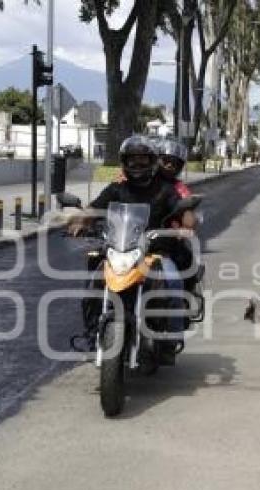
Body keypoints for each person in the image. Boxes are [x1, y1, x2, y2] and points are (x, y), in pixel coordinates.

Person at [68, 135, 189, 362]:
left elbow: (184, 212)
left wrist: (187, 225)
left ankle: (170, 339)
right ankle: (92, 333)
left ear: (152, 161)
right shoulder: (116, 189)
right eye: (132, 160)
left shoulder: (165, 190)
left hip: (154, 253)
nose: (137, 165)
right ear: (124, 162)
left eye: (143, 160)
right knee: (94, 282)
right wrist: (78, 222)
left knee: (174, 282)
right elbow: (94, 209)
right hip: (120, 249)